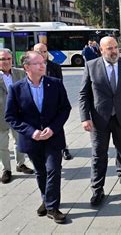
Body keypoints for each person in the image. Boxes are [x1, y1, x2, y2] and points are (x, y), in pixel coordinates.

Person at [78, 36, 121, 206]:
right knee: (98, 155)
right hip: (99, 119)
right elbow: (83, 94)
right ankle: (97, 189)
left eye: (115, 47)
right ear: (101, 50)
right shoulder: (91, 66)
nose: (114, 51)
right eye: (109, 48)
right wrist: (84, 118)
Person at [5, 51, 71, 223]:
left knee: (53, 170)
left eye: (43, 62)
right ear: (26, 67)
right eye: (37, 63)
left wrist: (53, 128)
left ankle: (52, 207)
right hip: (32, 139)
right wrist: (31, 132)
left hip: (53, 137)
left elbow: (65, 109)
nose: (42, 65)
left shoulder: (55, 84)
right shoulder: (16, 88)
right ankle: (46, 199)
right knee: (41, 172)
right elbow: (11, 117)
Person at [0, 49, 34, 184]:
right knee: (2, 145)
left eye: (9, 59)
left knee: (19, 141)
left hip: (18, 115)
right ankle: (6, 170)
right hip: (0, 116)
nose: (6, 62)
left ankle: (20, 164)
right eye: (3, 59)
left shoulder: (20, 73)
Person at [33, 43, 72, 161]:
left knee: (58, 125)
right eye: (39, 52)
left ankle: (63, 148)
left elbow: (60, 85)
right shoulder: (31, 67)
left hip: (54, 103)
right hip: (38, 103)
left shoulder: (55, 67)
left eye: (44, 51)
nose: (42, 54)